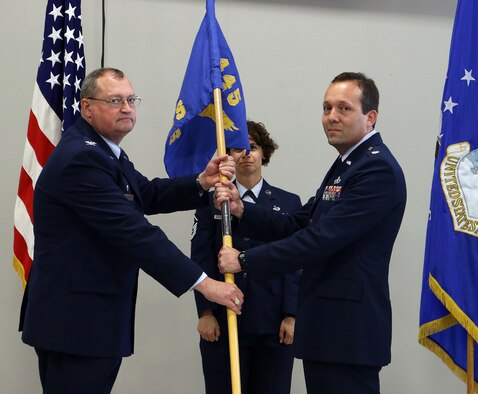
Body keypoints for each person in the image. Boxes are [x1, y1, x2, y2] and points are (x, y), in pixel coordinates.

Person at [18, 67, 244, 394]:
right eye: (114, 100)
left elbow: (145, 193)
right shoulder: (81, 158)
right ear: (87, 108)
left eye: (130, 99)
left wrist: (201, 181)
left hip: (92, 321)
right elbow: (134, 232)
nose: (127, 108)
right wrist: (204, 283)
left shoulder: (105, 152)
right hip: (75, 324)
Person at [216, 72, 407, 394]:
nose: (331, 117)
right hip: (327, 325)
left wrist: (245, 260)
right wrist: (242, 211)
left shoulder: (376, 169)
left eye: (344, 108)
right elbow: (300, 223)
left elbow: (320, 240)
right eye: (326, 108)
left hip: (348, 328)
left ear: (370, 117)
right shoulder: (348, 164)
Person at [192, 120, 301, 394]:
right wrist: (205, 312)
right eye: (237, 149)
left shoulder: (289, 204)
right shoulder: (211, 203)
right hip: (224, 320)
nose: (246, 154)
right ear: (228, 157)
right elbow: (201, 258)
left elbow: (295, 262)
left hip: (273, 322)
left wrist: (292, 314)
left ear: (264, 152)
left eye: (252, 147)